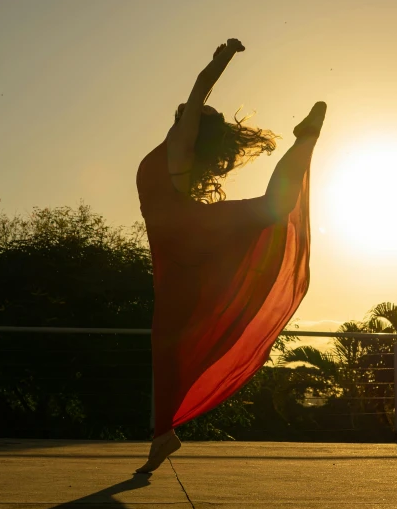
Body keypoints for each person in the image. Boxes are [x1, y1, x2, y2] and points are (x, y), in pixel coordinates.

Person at [135, 38, 327, 473]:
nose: (187, 110)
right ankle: (162, 435)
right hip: (188, 246)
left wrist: (221, 58)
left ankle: (305, 139)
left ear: (191, 123)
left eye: (193, 112)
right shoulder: (178, 151)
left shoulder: (178, 140)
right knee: (166, 346)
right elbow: (198, 99)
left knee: (166, 343)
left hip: (187, 242)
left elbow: (200, 87)